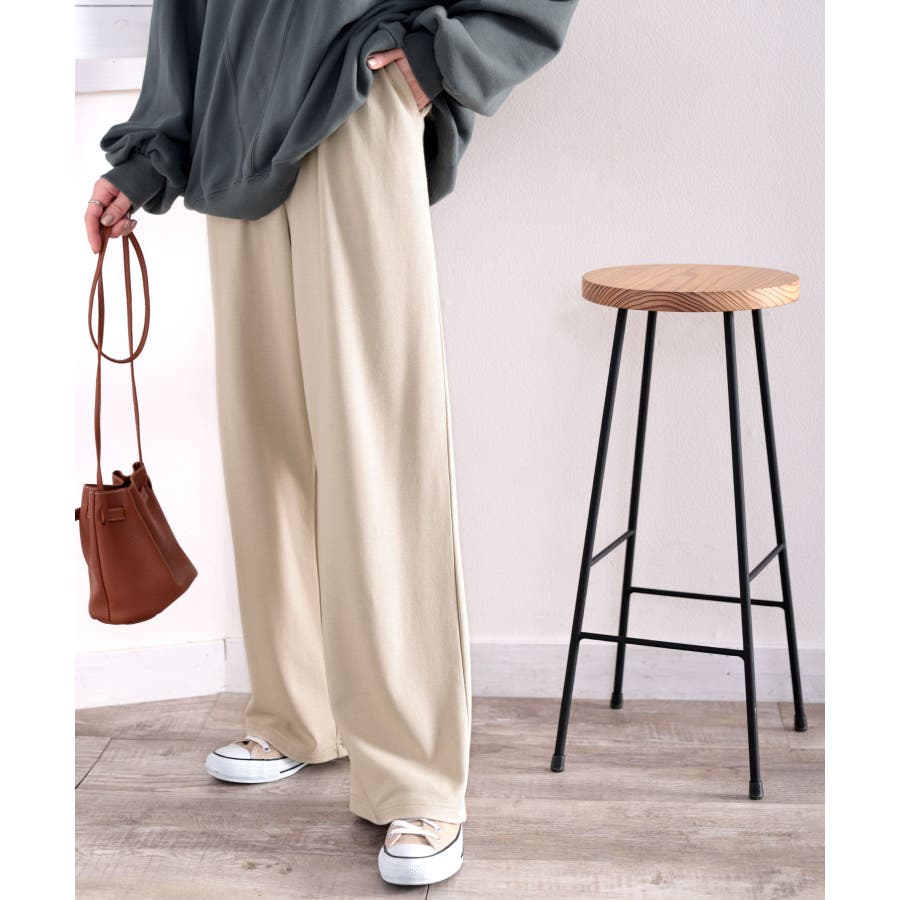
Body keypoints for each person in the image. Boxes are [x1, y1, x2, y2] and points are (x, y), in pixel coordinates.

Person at [84, 0, 578, 887]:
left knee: (377, 447)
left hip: (352, 103)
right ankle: (298, 713)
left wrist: (436, 58)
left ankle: (415, 776)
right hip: (234, 130)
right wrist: (150, 156)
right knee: (265, 443)